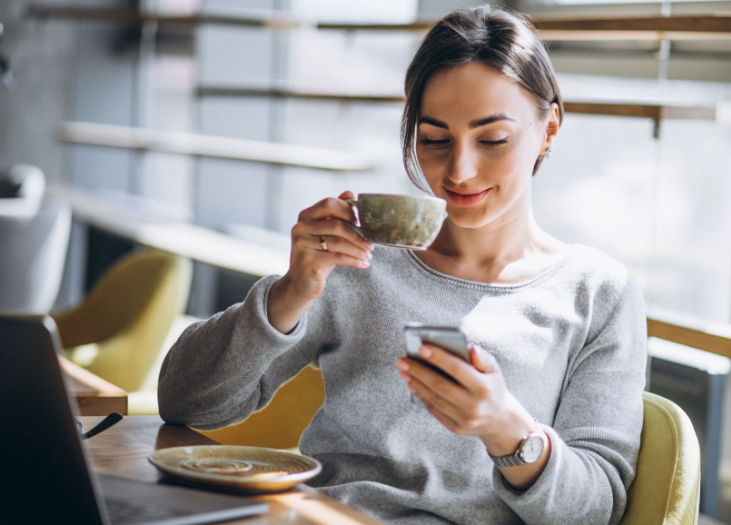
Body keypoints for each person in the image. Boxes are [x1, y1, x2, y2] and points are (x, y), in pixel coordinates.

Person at [158, 5, 647, 525]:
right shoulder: (360, 260)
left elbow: (598, 510)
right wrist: (290, 293)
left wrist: (508, 431)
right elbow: (184, 402)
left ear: (549, 128)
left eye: (492, 140)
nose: (459, 171)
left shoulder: (597, 294)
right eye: (434, 139)